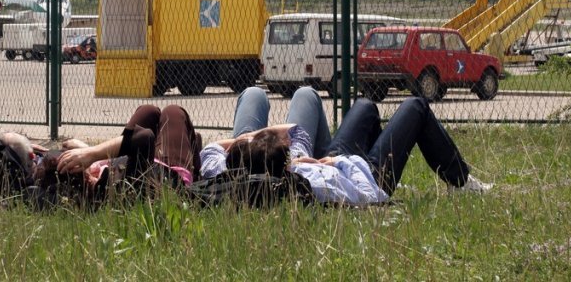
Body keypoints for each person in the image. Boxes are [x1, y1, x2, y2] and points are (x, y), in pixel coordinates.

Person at [201, 86, 492, 206]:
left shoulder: (221, 172)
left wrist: (251, 142)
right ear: (285, 157)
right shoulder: (308, 173)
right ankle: (460, 180)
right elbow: (293, 129)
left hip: (332, 162)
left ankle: (458, 178)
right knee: (416, 106)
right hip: (364, 173)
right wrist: (325, 163)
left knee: (366, 106)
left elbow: (211, 150)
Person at [56, 104, 203, 190]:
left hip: (133, 158)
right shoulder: (104, 189)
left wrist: (86, 150)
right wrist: (92, 153)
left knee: (148, 111)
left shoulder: (96, 176)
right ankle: (194, 172)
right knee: (173, 111)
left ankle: (191, 146)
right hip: (167, 172)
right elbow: (144, 138)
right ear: (87, 178)